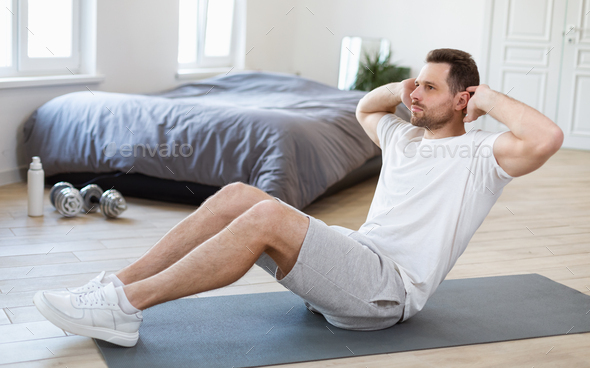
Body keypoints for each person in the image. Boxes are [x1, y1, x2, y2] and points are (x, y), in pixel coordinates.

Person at [33, 48, 563, 347]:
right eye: (415, 86)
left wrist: (486, 99)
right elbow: (365, 110)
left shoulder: (483, 156)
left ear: (462, 98)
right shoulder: (404, 139)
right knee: (241, 194)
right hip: (353, 257)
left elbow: (547, 138)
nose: (415, 95)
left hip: (385, 290)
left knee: (266, 214)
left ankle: (125, 309)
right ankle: (113, 288)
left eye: (429, 88)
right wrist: (405, 84)